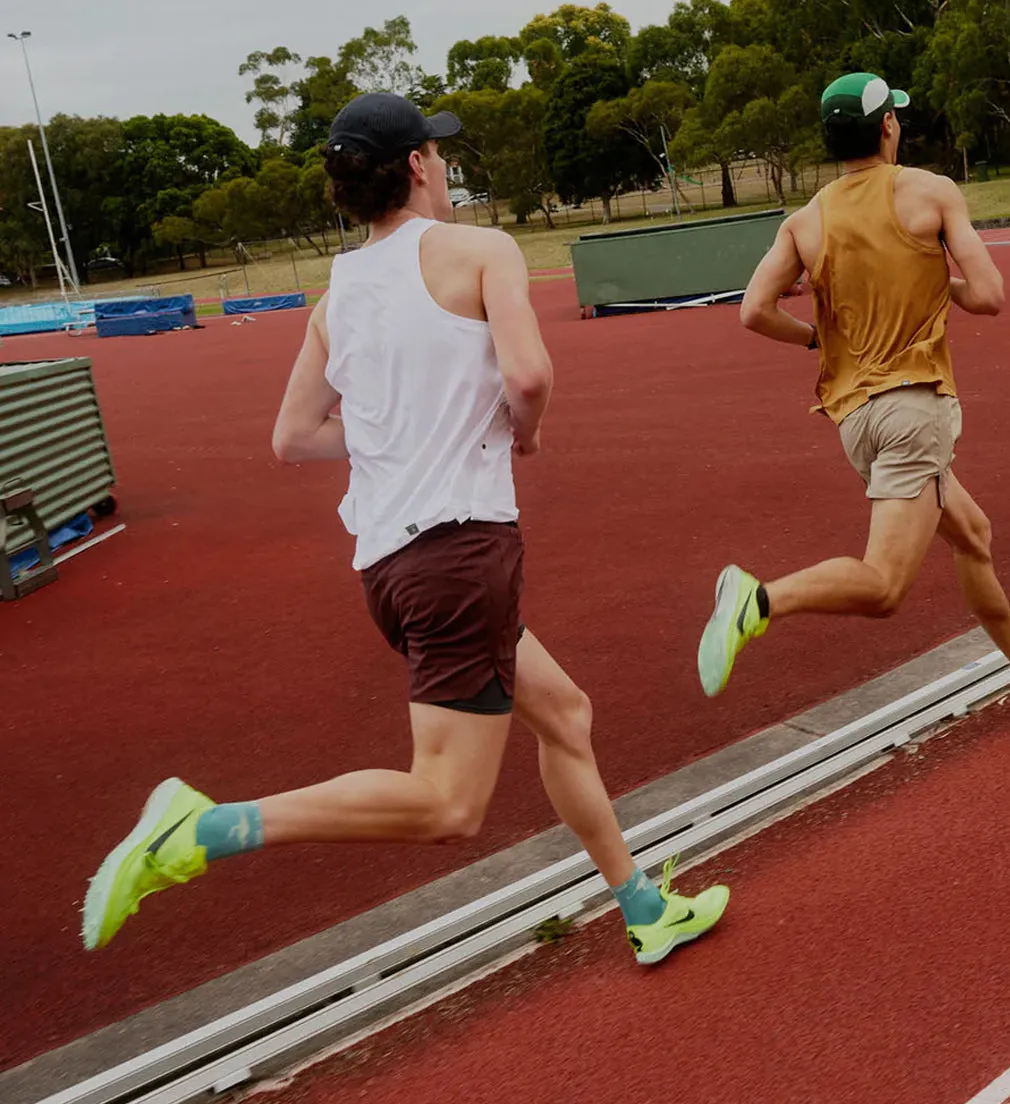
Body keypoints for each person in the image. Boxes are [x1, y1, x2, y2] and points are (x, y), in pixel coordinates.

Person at [83, 94, 728, 966]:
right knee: (448, 805)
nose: (449, 167)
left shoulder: (336, 294)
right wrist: (523, 430)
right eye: (441, 154)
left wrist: (400, 425)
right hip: (461, 554)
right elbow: (529, 375)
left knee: (565, 715)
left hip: (392, 568)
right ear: (419, 166)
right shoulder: (481, 250)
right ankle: (202, 828)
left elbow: (293, 438)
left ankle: (643, 906)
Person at [697, 73, 1010, 713]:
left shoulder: (805, 221)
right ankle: (756, 600)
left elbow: (753, 311)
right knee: (883, 587)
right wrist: (939, 282)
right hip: (914, 408)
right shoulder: (930, 192)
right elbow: (989, 296)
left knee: (972, 535)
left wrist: (816, 340)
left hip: (856, 421)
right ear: (888, 127)